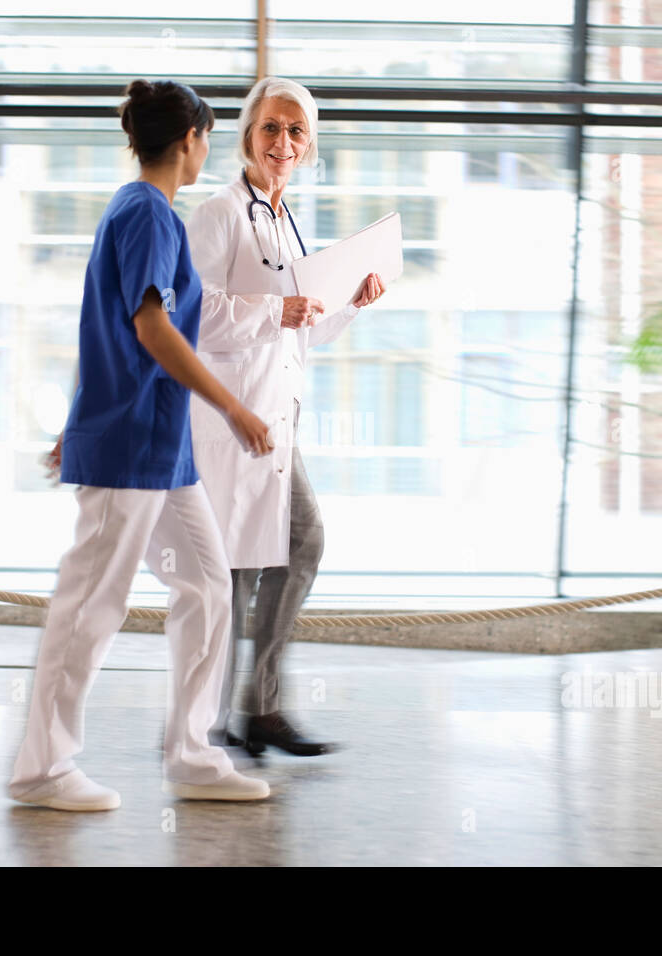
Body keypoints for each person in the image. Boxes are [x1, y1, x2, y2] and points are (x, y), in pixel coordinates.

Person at [8, 79, 274, 810]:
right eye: (208, 139)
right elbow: (149, 329)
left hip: (158, 444)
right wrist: (234, 408)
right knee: (93, 602)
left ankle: (191, 753)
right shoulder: (150, 214)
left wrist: (75, 421)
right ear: (189, 138)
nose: (205, 154)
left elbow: (101, 326)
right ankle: (42, 769)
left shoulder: (140, 211)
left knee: (208, 582)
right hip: (132, 441)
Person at [185, 76, 386, 757]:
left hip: (279, 418)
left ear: (309, 144)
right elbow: (193, 313)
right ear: (248, 134)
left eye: (296, 131)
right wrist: (278, 310)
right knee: (234, 570)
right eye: (272, 127)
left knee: (297, 544)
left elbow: (303, 332)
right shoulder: (219, 214)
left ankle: (259, 708)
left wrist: (350, 302)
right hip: (231, 418)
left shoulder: (288, 220)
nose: (284, 141)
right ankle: (208, 726)